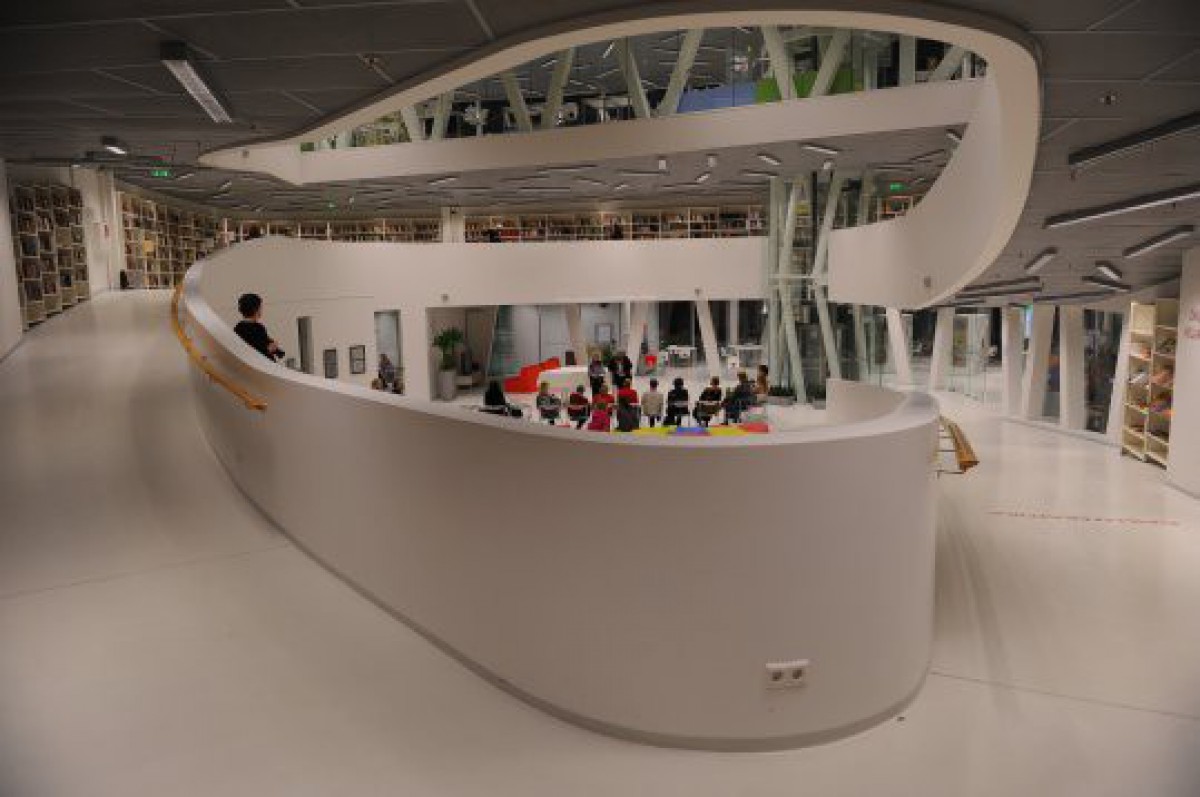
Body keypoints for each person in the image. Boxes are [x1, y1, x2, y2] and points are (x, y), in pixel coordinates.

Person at [233, 293, 284, 362]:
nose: (261, 310)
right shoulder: (258, 328)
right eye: (260, 307)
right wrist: (270, 349)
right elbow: (257, 351)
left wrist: (276, 350)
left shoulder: (237, 328)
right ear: (256, 309)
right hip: (260, 365)